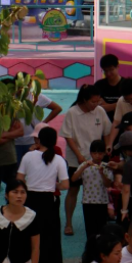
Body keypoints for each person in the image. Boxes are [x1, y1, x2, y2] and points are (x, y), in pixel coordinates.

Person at [17, 127, 68, 263]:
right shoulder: (58, 159)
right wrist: (53, 184)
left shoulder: (28, 156)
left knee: (27, 236)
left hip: (30, 200)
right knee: (46, 239)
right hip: (48, 202)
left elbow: (19, 179)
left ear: (39, 140)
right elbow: (65, 185)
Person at [60, 85, 112, 236]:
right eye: (93, 102)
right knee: (73, 189)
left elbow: (107, 131)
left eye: (98, 101)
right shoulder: (72, 112)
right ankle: (68, 223)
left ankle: (101, 219)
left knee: (100, 188)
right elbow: (68, 136)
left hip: (97, 157)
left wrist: (107, 148)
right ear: (84, 100)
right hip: (76, 158)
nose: (96, 104)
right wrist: (79, 155)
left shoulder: (100, 111)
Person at [71, 140, 114, 239]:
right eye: (95, 153)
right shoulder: (84, 165)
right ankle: (91, 246)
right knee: (90, 229)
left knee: (101, 229)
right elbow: (73, 179)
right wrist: (83, 167)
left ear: (104, 154)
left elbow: (108, 184)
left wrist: (102, 173)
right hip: (88, 202)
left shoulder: (106, 166)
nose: (97, 156)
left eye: (100, 153)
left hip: (102, 201)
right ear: (90, 153)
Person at [15, 91, 62, 164]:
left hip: (33, 141)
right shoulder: (11, 97)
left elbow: (57, 108)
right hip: (14, 141)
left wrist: (43, 123)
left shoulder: (37, 97)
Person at [94, 55, 127, 119]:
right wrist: (118, 105)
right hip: (101, 121)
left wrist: (106, 105)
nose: (108, 73)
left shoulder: (127, 85)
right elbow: (96, 108)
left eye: (111, 70)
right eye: (105, 71)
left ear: (117, 67)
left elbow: (128, 108)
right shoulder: (99, 85)